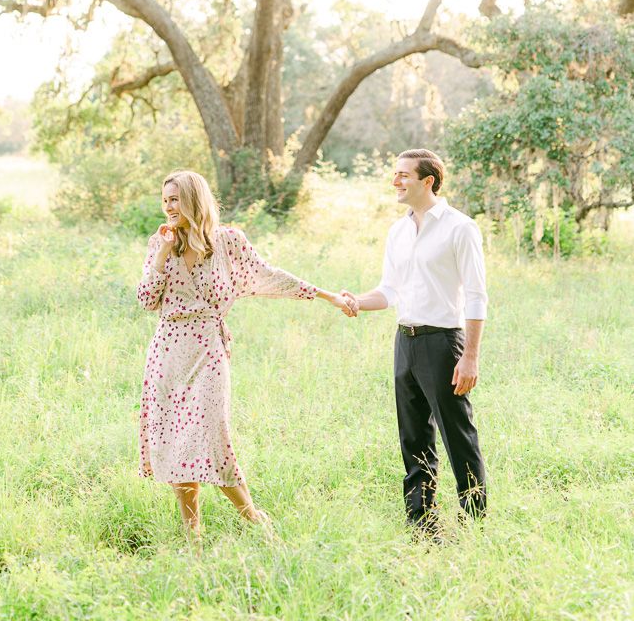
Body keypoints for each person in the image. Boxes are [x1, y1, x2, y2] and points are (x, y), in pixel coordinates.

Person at [137, 168, 356, 542]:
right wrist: (159, 256)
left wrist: (328, 296)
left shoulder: (228, 242)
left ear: (193, 199)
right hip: (168, 354)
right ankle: (194, 537)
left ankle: (254, 518)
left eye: (175, 199)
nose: (168, 206)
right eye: (165, 200)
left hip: (208, 350)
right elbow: (146, 301)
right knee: (177, 443)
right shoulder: (161, 244)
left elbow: (269, 276)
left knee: (209, 434)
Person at [342, 149, 488, 537]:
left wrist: (470, 357)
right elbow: (389, 291)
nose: (396, 181)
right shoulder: (398, 231)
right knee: (413, 437)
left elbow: (476, 296)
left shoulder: (460, 228)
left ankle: (475, 521)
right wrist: (357, 300)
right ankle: (422, 524)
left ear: (429, 181)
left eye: (404, 175)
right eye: (395, 174)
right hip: (404, 342)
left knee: (457, 435)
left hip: (443, 343)